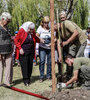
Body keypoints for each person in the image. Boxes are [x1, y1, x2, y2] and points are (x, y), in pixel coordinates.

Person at [56, 11, 87, 80]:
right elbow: (58, 43)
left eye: (63, 17)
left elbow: (76, 32)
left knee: (77, 59)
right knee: (68, 58)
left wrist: (67, 42)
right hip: (73, 43)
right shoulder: (57, 31)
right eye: (61, 18)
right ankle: (69, 76)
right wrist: (60, 56)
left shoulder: (67, 23)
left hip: (81, 41)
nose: (62, 19)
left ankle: (80, 78)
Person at [14, 21, 44, 86]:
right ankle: (25, 80)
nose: (31, 31)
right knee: (24, 66)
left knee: (30, 66)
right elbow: (16, 40)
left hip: (31, 51)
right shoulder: (22, 30)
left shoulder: (32, 32)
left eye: (32, 30)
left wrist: (40, 40)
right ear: (27, 27)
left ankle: (29, 79)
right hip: (23, 52)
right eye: (30, 29)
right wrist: (20, 48)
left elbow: (35, 38)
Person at [36, 16, 52, 82]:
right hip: (42, 47)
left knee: (49, 62)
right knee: (42, 61)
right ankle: (41, 76)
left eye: (47, 23)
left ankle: (49, 76)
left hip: (49, 47)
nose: (46, 24)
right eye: (45, 22)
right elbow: (36, 35)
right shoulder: (40, 28)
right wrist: (40, 39)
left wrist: (52, 42)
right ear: (42, 22)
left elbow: (55, 37)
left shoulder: (51, 28)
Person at [0, 12, 12, 86]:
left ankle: (7, 81)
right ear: (2, 19)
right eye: (7, 21)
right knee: (0, 66)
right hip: (1, 50)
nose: (8, 23)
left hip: (8, 50)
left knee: (8, 66)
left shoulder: (7, 28)